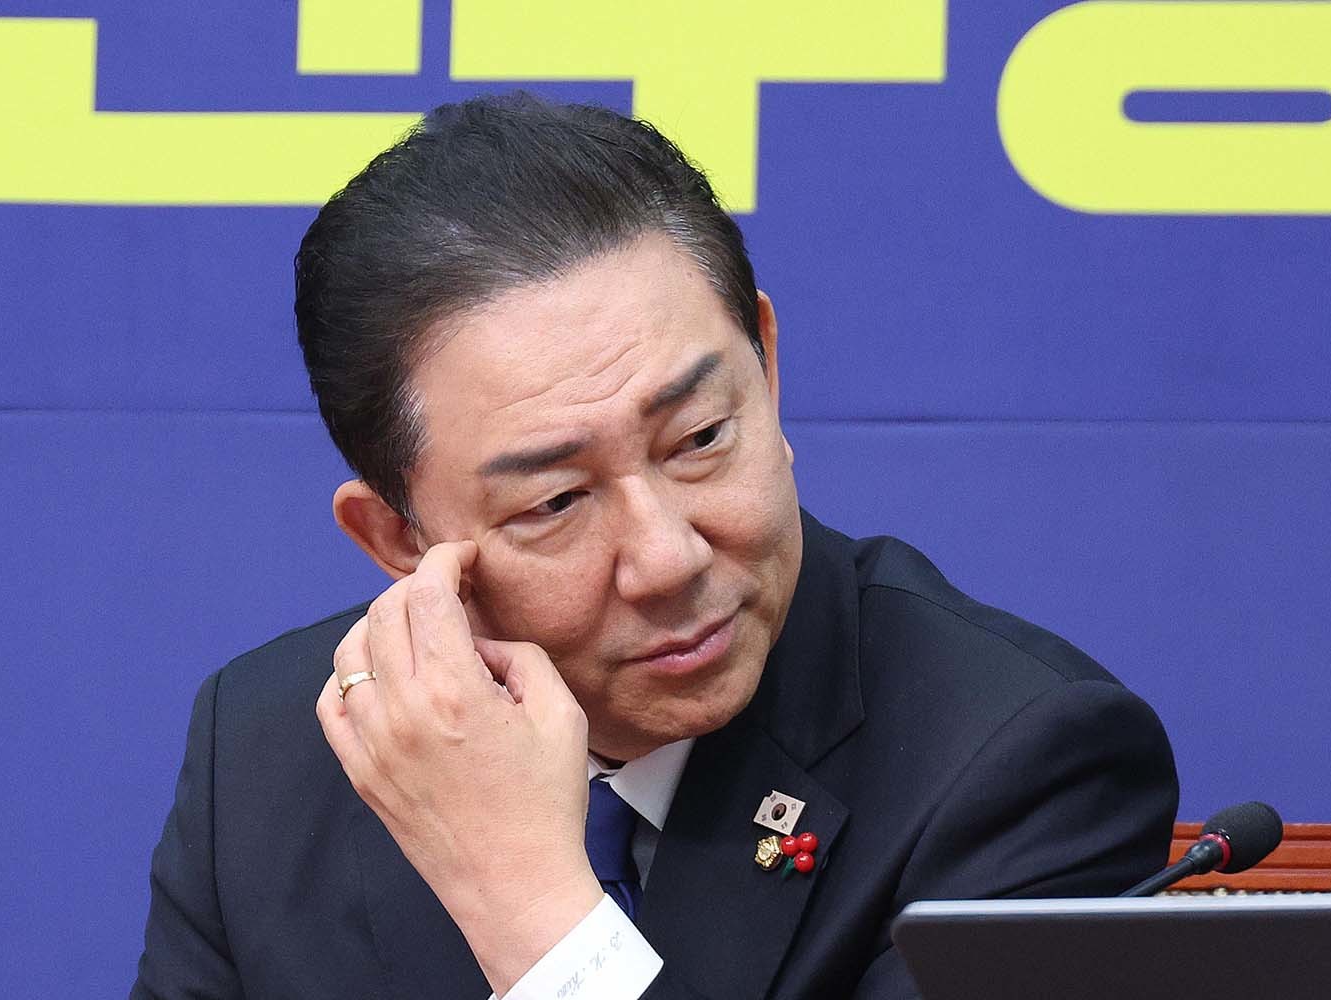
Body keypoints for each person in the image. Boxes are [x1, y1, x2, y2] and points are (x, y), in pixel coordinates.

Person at [132, 94, 1178, 1000]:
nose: (669, 557)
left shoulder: (1022, 767)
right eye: (556, 501)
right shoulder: (266, 754)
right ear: (399, 538)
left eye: (701, 438)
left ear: (766, 368)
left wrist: (527, 900)